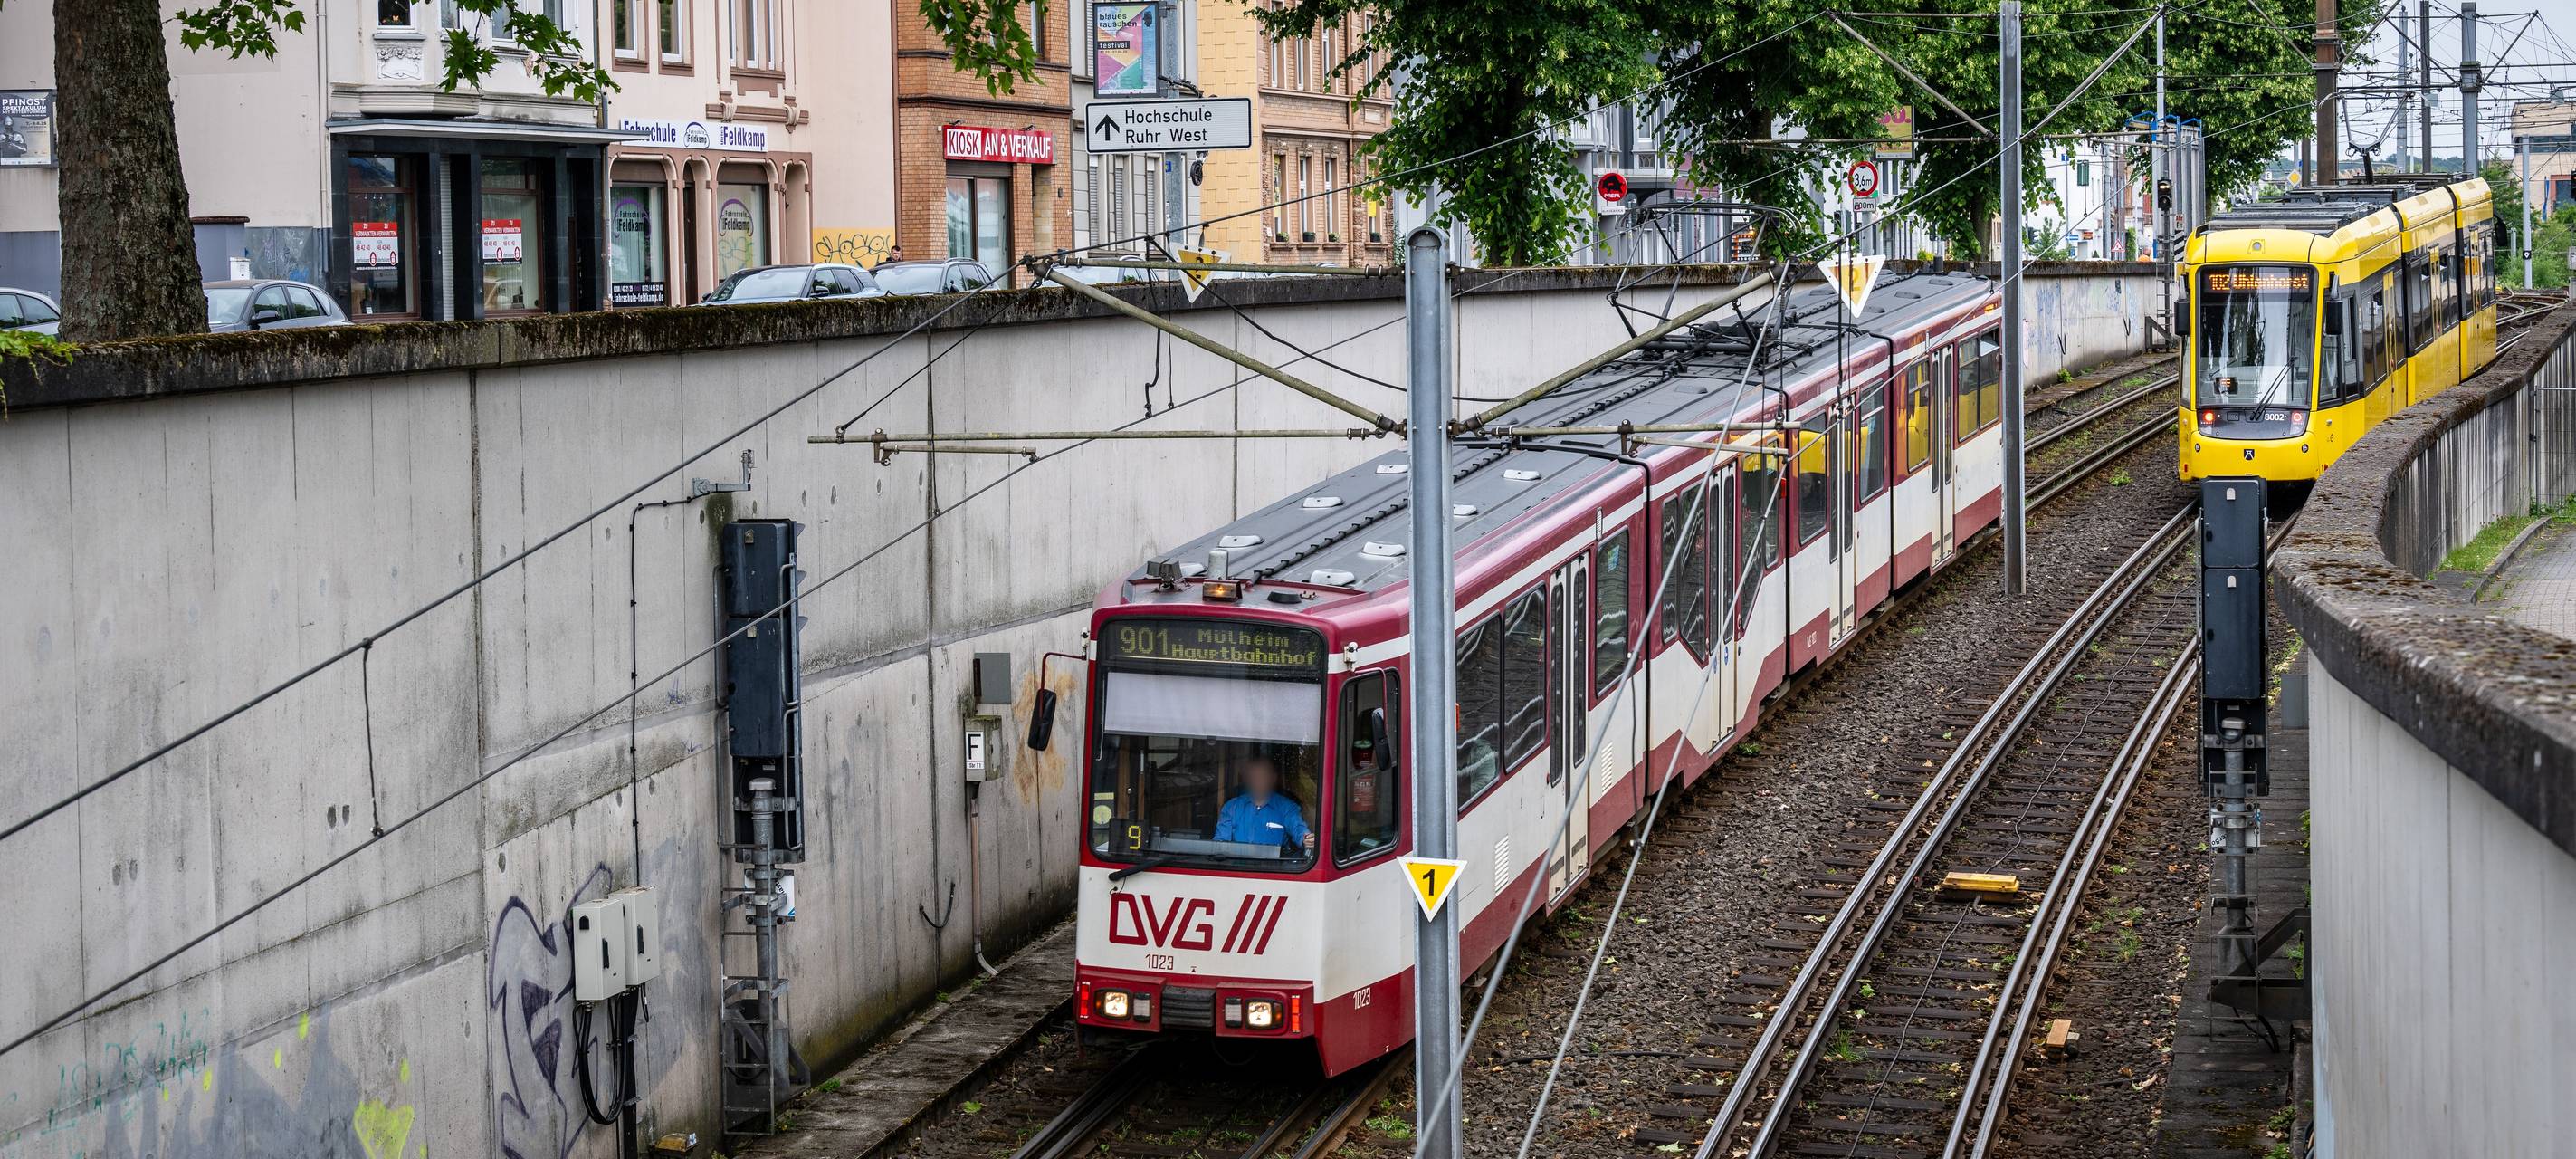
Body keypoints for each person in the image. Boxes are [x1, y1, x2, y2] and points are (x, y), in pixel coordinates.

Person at [1212, 756, 1313, 854]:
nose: (1257, 782)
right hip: (1237, 868)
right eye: (1253, 777)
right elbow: (1220, 844)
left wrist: (1307, 839)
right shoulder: (1231, 807)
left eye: (1262, 776)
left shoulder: (1287, 807)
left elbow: (1299, 828)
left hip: (1276, 869)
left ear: (1273, 778)